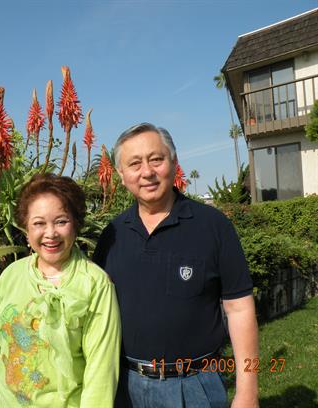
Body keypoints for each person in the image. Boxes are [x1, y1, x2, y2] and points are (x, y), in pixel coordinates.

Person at [93, 123, 259, 408]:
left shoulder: (213, 226)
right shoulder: (112, 234)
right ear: (121, 176)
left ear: (174, 161)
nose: (147, 172)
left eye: (156, 159)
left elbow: (240, 308)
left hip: (196, 385)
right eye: (134, 164)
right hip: (125, 387)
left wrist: (248, 392)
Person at [0, 173, 121, 408]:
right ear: (26, 228)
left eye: (61, 221)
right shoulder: (12, 275)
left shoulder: (95, 283)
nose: (50, 233)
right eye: (39, 223)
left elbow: (101, 370)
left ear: (76, 224)